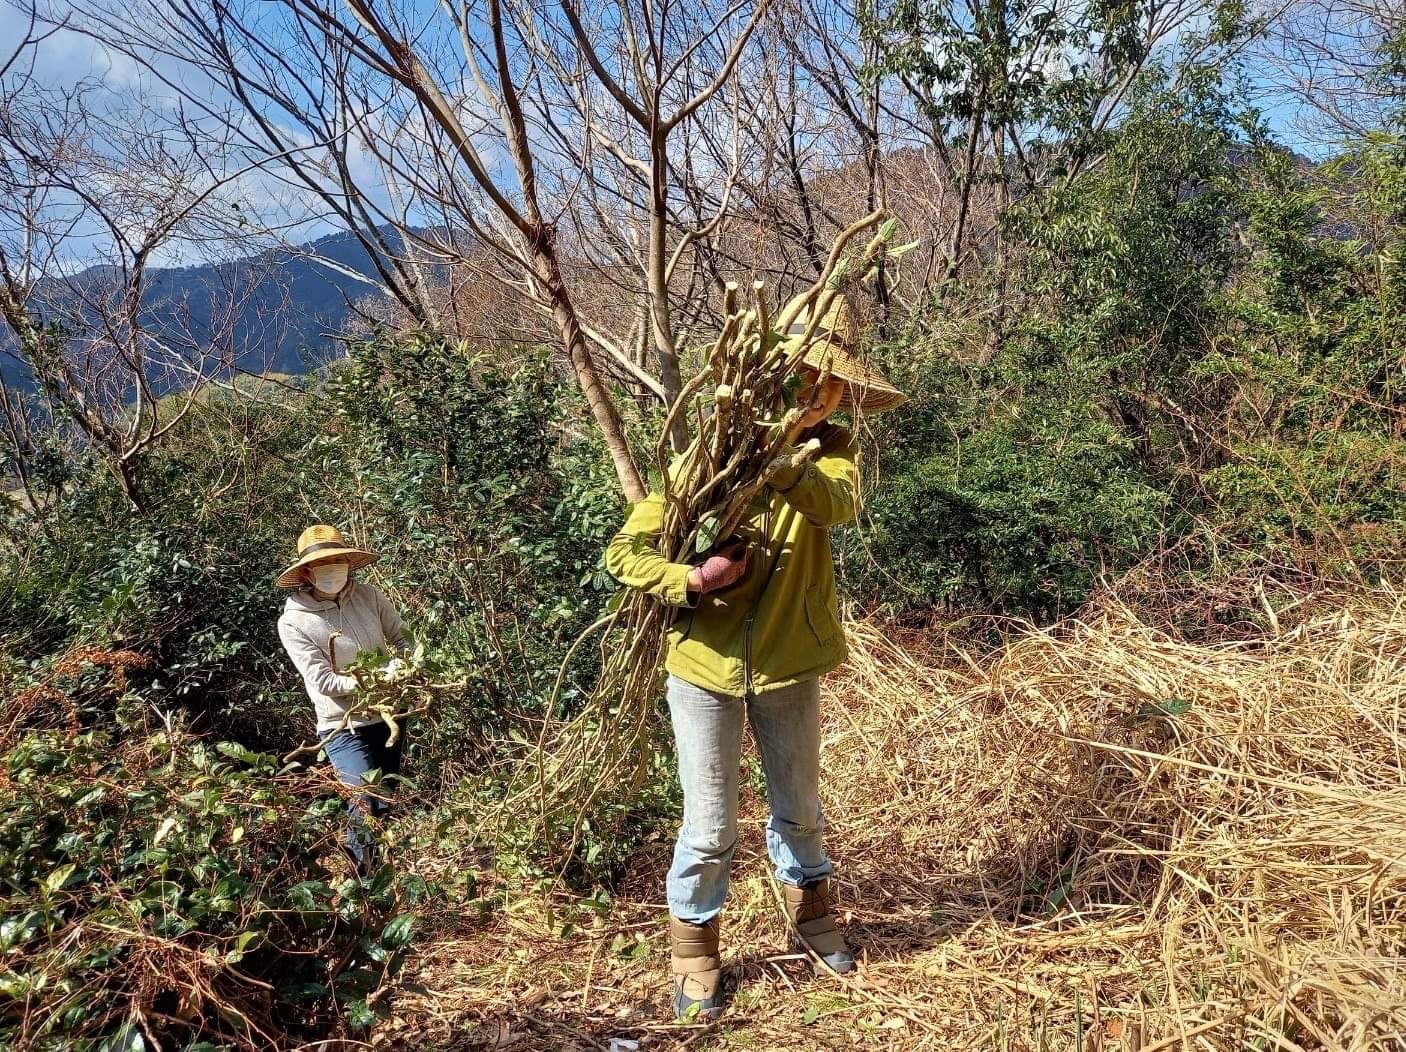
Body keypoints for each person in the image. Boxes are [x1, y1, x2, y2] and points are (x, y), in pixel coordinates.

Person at [604, 295, 906, 1021]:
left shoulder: (832, 454)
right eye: (805, 377)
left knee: (799, 808)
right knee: (709, 826)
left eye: (829, 385)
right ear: (774, 374)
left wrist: (784, 465)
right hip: (702, 667)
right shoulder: (705, 459)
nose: (815, 392)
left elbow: (837, 509)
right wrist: (691, 579)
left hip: (789, 662)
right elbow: (624, 551)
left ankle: (814, 918)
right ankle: (695, 952)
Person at [275, 524, 410, 875]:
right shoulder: (293, 622)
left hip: (391, 716)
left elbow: (401, 637)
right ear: (306, 572)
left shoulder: (370, 597)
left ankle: (384, 880)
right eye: (323, 563)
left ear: (349, 562)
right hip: (343, 726)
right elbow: (322, 681)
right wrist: (377, 677)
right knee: (364, 801)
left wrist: (406, 663)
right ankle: (362, 888)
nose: (332, 567)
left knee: (384, 801)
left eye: (338, 560)